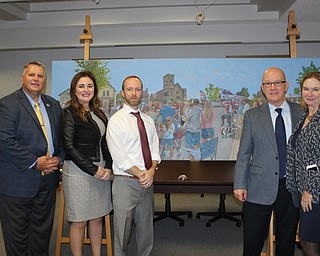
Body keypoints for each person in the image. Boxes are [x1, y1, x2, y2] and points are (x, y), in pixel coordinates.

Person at [233, 67, 302, 256]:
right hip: (258, 187)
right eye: (268, 83)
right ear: (262, 88)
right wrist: (239, 183)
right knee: (253, 243)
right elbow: (244, 153)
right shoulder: (252, 116)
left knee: (286, 244)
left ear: (286, 85)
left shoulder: (301, 113)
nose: (273, 87)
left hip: (291, 188)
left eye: (277, 82)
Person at [0, 61, 64, 256]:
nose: (36, 79)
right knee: (17, 238)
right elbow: (5, 139)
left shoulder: (53, 105)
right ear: (23, 78)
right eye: (31, 75)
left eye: (40, 76)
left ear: (45, 80)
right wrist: (36, 162)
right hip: (18, 183)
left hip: (48, 181)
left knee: (41, 234)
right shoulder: (7, 104)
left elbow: (61, 140)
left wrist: (58, 159)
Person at [106, 75, 161, 256]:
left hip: (147, 182)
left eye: (137, 89)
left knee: (146, 232)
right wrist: (141, 174)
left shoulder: (148, 120)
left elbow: (154, 150)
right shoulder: (116, 121)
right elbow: (119, 157)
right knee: (122, 233)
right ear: (123, 93)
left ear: (142, 93)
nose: (134, 93)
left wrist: (151, 171)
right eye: (129, 89)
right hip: (125, 183)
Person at [61, 71, 113, 256]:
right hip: (78, 172)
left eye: (89, 86)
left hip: (101, 170)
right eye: (81, 86)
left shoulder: (99, 113)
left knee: (97, 218)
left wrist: (108, 167)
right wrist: (94, 170)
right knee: (79, 221)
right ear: (74, 90)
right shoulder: (69, 113)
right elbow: (69, 146)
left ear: (94, 90)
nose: (86, 90)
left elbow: (105, 143)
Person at [286, 71, 320, 256]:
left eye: (315, 89)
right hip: (304, 189)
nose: (310, 93)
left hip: (315, 192)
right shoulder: (305, 116)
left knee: (309, 241)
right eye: (306, 88)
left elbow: (317, 161)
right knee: (309, 239)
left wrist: (310, 188)